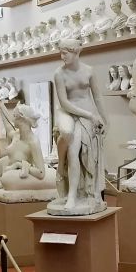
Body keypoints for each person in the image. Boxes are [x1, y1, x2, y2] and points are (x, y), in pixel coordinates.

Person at [51, 38, 108, 213]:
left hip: (88, 114)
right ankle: (70, 189)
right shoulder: (59, 74)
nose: (62, 57)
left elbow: (97, 97)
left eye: (65, 53)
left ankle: (78, 194)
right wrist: (90, 115)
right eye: (61, 53)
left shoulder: (89, 71)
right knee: (68, 137)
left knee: (80, 151)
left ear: (75, 52)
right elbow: (64, 102)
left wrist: (105, 119)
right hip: (68, 113)